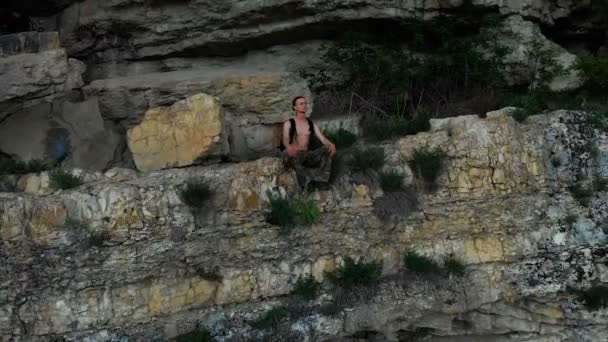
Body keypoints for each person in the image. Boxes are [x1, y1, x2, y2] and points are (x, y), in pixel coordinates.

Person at [282, 96, 336, 191]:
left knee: (328, 148)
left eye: (305, 103)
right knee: (287, 154)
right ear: (295, 107)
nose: (304, 105)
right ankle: (305, 183)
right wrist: (289, 147)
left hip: (308, 155)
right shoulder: (289, 123)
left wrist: (331, 144)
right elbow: (285, 138)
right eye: (301, 104)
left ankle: (321, 181)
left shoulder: (311, 123)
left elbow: (322, 138)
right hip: (296, 154)